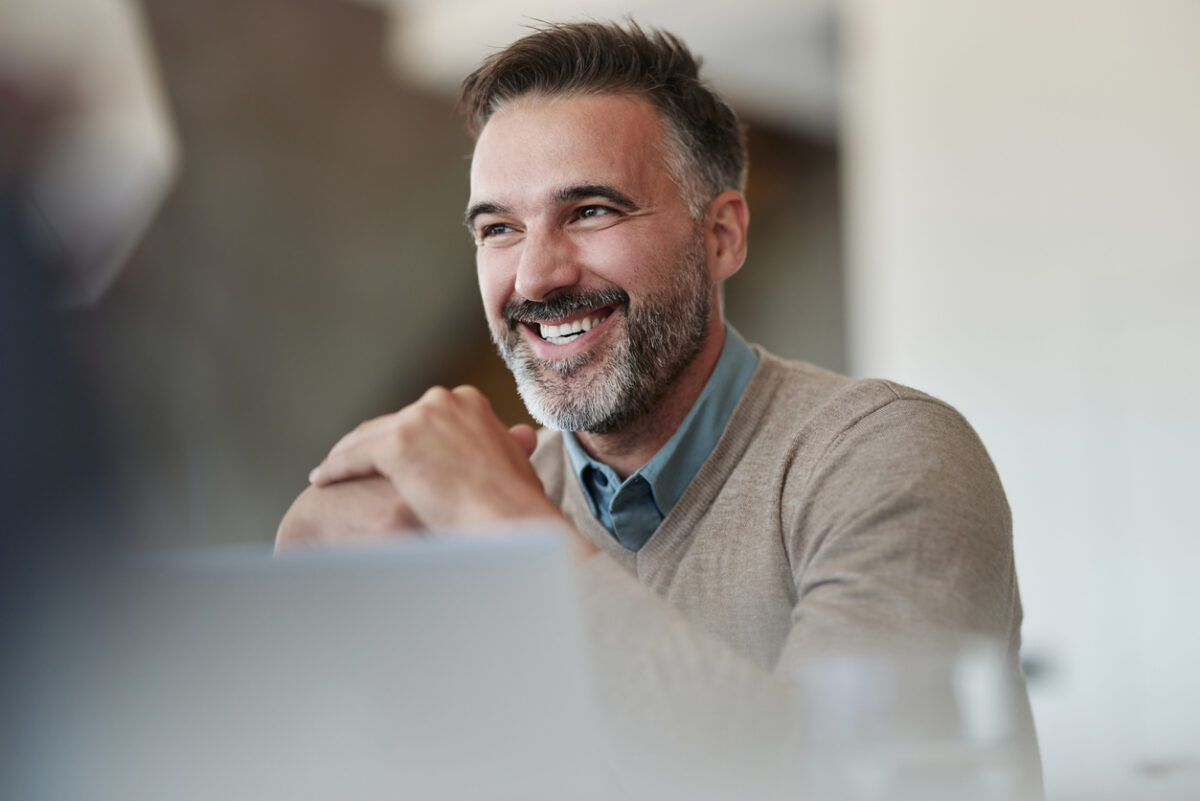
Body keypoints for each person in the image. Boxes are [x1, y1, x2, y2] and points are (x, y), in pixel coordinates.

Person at [277, 20, 1039, 796]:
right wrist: (306, 629)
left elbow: (843, 785)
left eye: (591, 211)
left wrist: (509, 534)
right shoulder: (462, 514)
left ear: (722, 235)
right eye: (499, 228)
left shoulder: (884, 454)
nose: (536, 277)